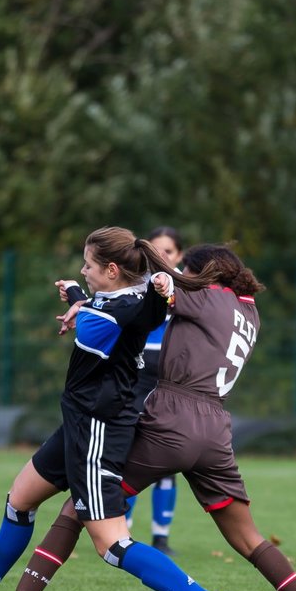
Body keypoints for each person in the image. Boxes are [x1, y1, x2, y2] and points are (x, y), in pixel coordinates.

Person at [0, 244, 296, 591]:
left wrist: (138, 275)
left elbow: (153, 290)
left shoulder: (203, 296)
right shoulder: (249, 311)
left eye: (190, 268)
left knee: (80, 508)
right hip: (217, 428)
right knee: (248, 538)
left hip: (172, 420)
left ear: (206, 273)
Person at [0, 226, 236, 591]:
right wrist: (84, 294)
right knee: (20, 499)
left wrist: (79, 301)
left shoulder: (120, 310)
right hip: (78, 424)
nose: (83, 270)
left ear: (112, 269)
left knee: (111, 544)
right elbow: (118, 305)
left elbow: (93, 325)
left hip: (99, 431)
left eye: (89, 265)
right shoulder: (126, 298)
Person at [126, 225, 183, 555]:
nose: (162, 256)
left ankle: (161, 536)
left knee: (167, 456)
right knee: (131, 449)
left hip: (172, 374)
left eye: (169, 251)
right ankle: (124, 531)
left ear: (180, 256)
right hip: (138, 371)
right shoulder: (136, 282)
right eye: (156, 250)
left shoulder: (186, 285)